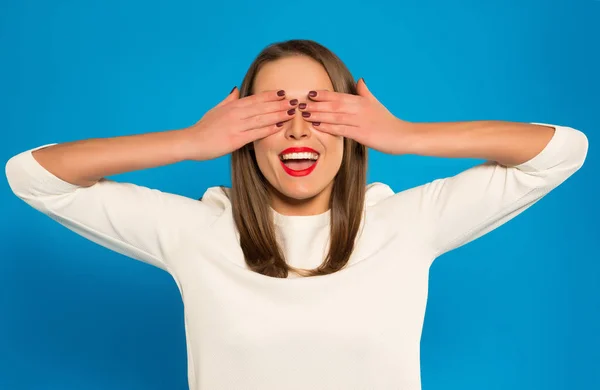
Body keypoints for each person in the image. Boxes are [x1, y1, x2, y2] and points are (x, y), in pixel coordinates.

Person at [5, 39, 589, 389]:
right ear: (245, 135)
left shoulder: (406, 224)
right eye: (273, 112)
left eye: (319, 109)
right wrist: (190, 141)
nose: (298, 128)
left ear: (350, 128)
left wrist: (403, 136)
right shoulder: (197, 232)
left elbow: (562, 151)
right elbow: (33, 176)